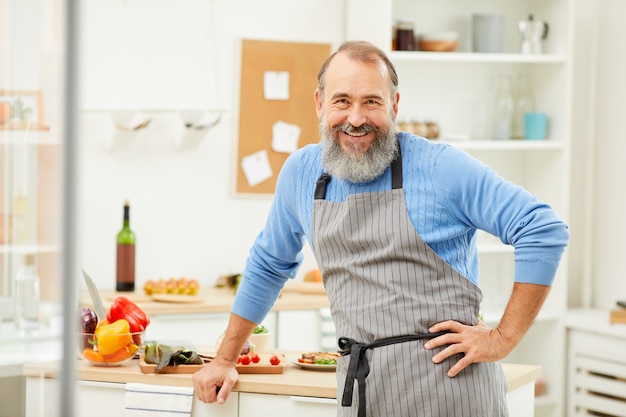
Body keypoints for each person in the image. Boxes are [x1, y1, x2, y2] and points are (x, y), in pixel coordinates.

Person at [192, 40, 569, 417]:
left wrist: (502, 339)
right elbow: (269, 265)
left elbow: (542, 229)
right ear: (320, 104)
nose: (355, 118)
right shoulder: (301, 173)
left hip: (451, 393)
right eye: (342, 101)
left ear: (394, 105)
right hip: (361, 392)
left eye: (371, 101)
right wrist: (225, 358)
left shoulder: (440, 168)